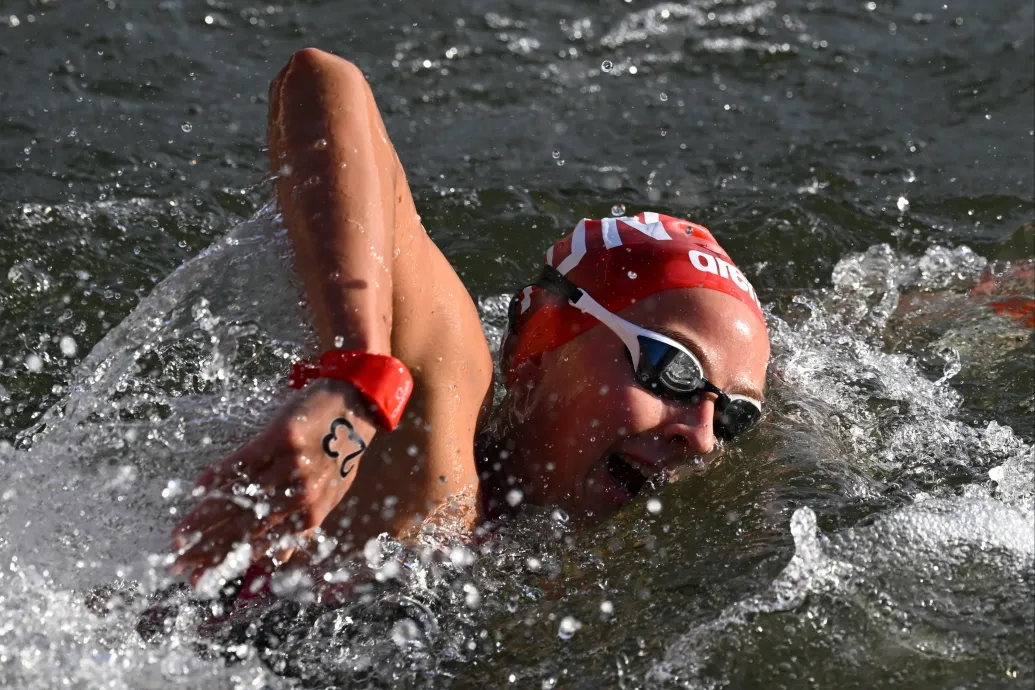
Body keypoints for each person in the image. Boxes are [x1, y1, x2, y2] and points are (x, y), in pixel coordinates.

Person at [169, 48, 771, 590]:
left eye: (735, 415)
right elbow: (324, 81)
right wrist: (354, 384)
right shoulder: (436, 462)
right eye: (671, 369)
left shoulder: (616, 577)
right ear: (538, 342)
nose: (700, 436)